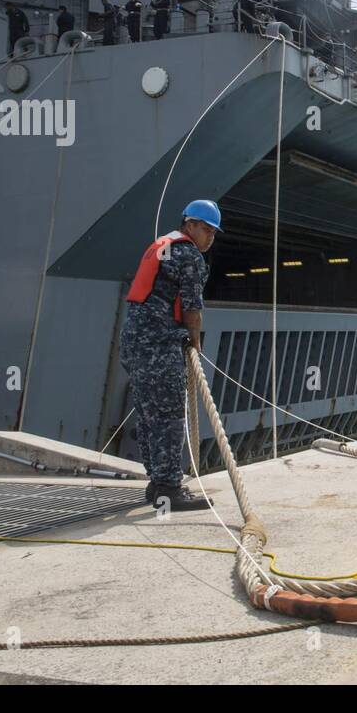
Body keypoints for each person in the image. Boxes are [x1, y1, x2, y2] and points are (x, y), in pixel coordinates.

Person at [119, 200, 223, 512]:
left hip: (135, 343)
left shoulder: (161, 245)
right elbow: (192, 306)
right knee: (169, 415)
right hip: (160, 344)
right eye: (206, 229)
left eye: (214, 233)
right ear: (189, 225)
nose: (210, 237)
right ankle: (168, 490)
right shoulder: (188, 253)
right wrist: (195, 341)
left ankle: (155, 484)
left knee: (148, 413)